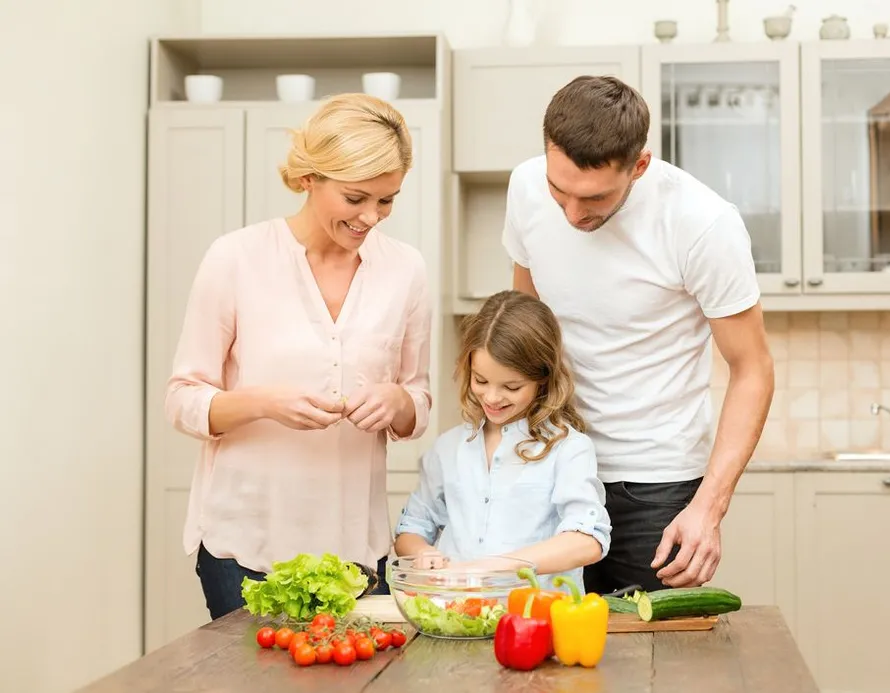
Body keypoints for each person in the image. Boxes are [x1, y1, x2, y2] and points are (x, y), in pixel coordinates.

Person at [501, 75, 775, 594]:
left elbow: (753, 368)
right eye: (560, 193)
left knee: (650, 667)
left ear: (640, 166)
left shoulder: (702, 223)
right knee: (543, 656)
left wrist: (708, 507)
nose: (574, 214)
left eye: (595, 198)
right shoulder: (525, 187)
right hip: (553, 463)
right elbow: (526, 325)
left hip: (656, 483)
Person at [165, 93, 433, 620]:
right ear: (310, 178)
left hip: (355, 547)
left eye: (387, 200)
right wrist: (263, 403)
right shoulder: (236, 258)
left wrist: (396, 400)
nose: (371, 217)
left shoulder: (406, 270)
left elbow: (418, 400)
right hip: (245, 544)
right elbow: (182, 399)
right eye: (356, 198)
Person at [393, 290, 612, 590]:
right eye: (481, 381)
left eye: (511, 386)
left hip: (535, 617)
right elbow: (410, 530)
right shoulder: (449, 448)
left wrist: (491, 568)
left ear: (543, 378)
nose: (492, 397)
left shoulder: (568, 448)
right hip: (458, 613)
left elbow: (588, 540)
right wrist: (423, 553)